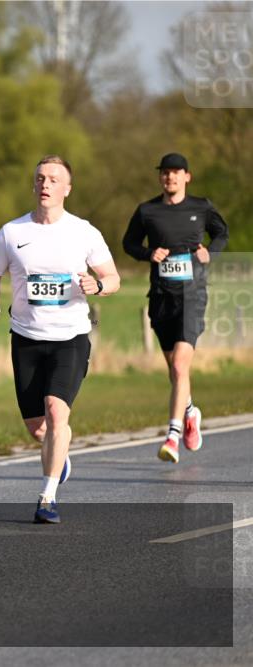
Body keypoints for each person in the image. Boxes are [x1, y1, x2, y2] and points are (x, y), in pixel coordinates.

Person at [0, 155, 121, 524]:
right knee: (37, 426)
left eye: (54, 179)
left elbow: (113, 277)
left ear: (67, 189)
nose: (46, 184)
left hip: (70, 337)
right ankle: (60, 455)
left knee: (58, 412)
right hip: (26, 337)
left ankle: (47, 497)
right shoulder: (12, 232)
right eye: (41, 178)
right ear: (33, 184)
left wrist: (98, 285)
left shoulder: (84, 232)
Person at [122, 153, 229, 464]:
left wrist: (212, 253)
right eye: (165, 172)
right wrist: (148, 254)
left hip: (192, 296)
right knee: (174, 369)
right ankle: (190, 411)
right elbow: (129, 243)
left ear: (187, 177)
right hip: (161, 297)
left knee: (181, 366)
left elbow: (221, 233)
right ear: (160, 177)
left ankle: (172, 435)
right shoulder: (147, 211)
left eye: (176, 172)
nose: (170, 177)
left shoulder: (201, 207)